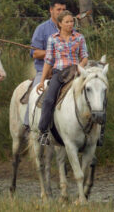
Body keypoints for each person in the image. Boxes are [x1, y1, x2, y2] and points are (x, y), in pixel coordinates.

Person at [36, 10, 88, 145]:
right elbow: (48, 60)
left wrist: (79, 68)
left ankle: (97, 133)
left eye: (72, 21)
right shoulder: (53, 38)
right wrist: (42, 81)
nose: (70, 24)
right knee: (48, 100)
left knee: (93, 95)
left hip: (76, 72)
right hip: (59, 73)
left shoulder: (79, 37)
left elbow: (84, 57)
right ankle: (44, 132)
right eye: (67, 22)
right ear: (60, 24)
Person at [23, 0, 66, 131]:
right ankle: (29, 124)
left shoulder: (70, 28)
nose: (61, 12)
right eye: (58, 9)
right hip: (44, 72)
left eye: (64, 10)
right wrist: (52, 50)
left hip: (65, 72)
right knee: (35, 94)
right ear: (51, 10)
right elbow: (34, 53)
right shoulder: (41, 29)